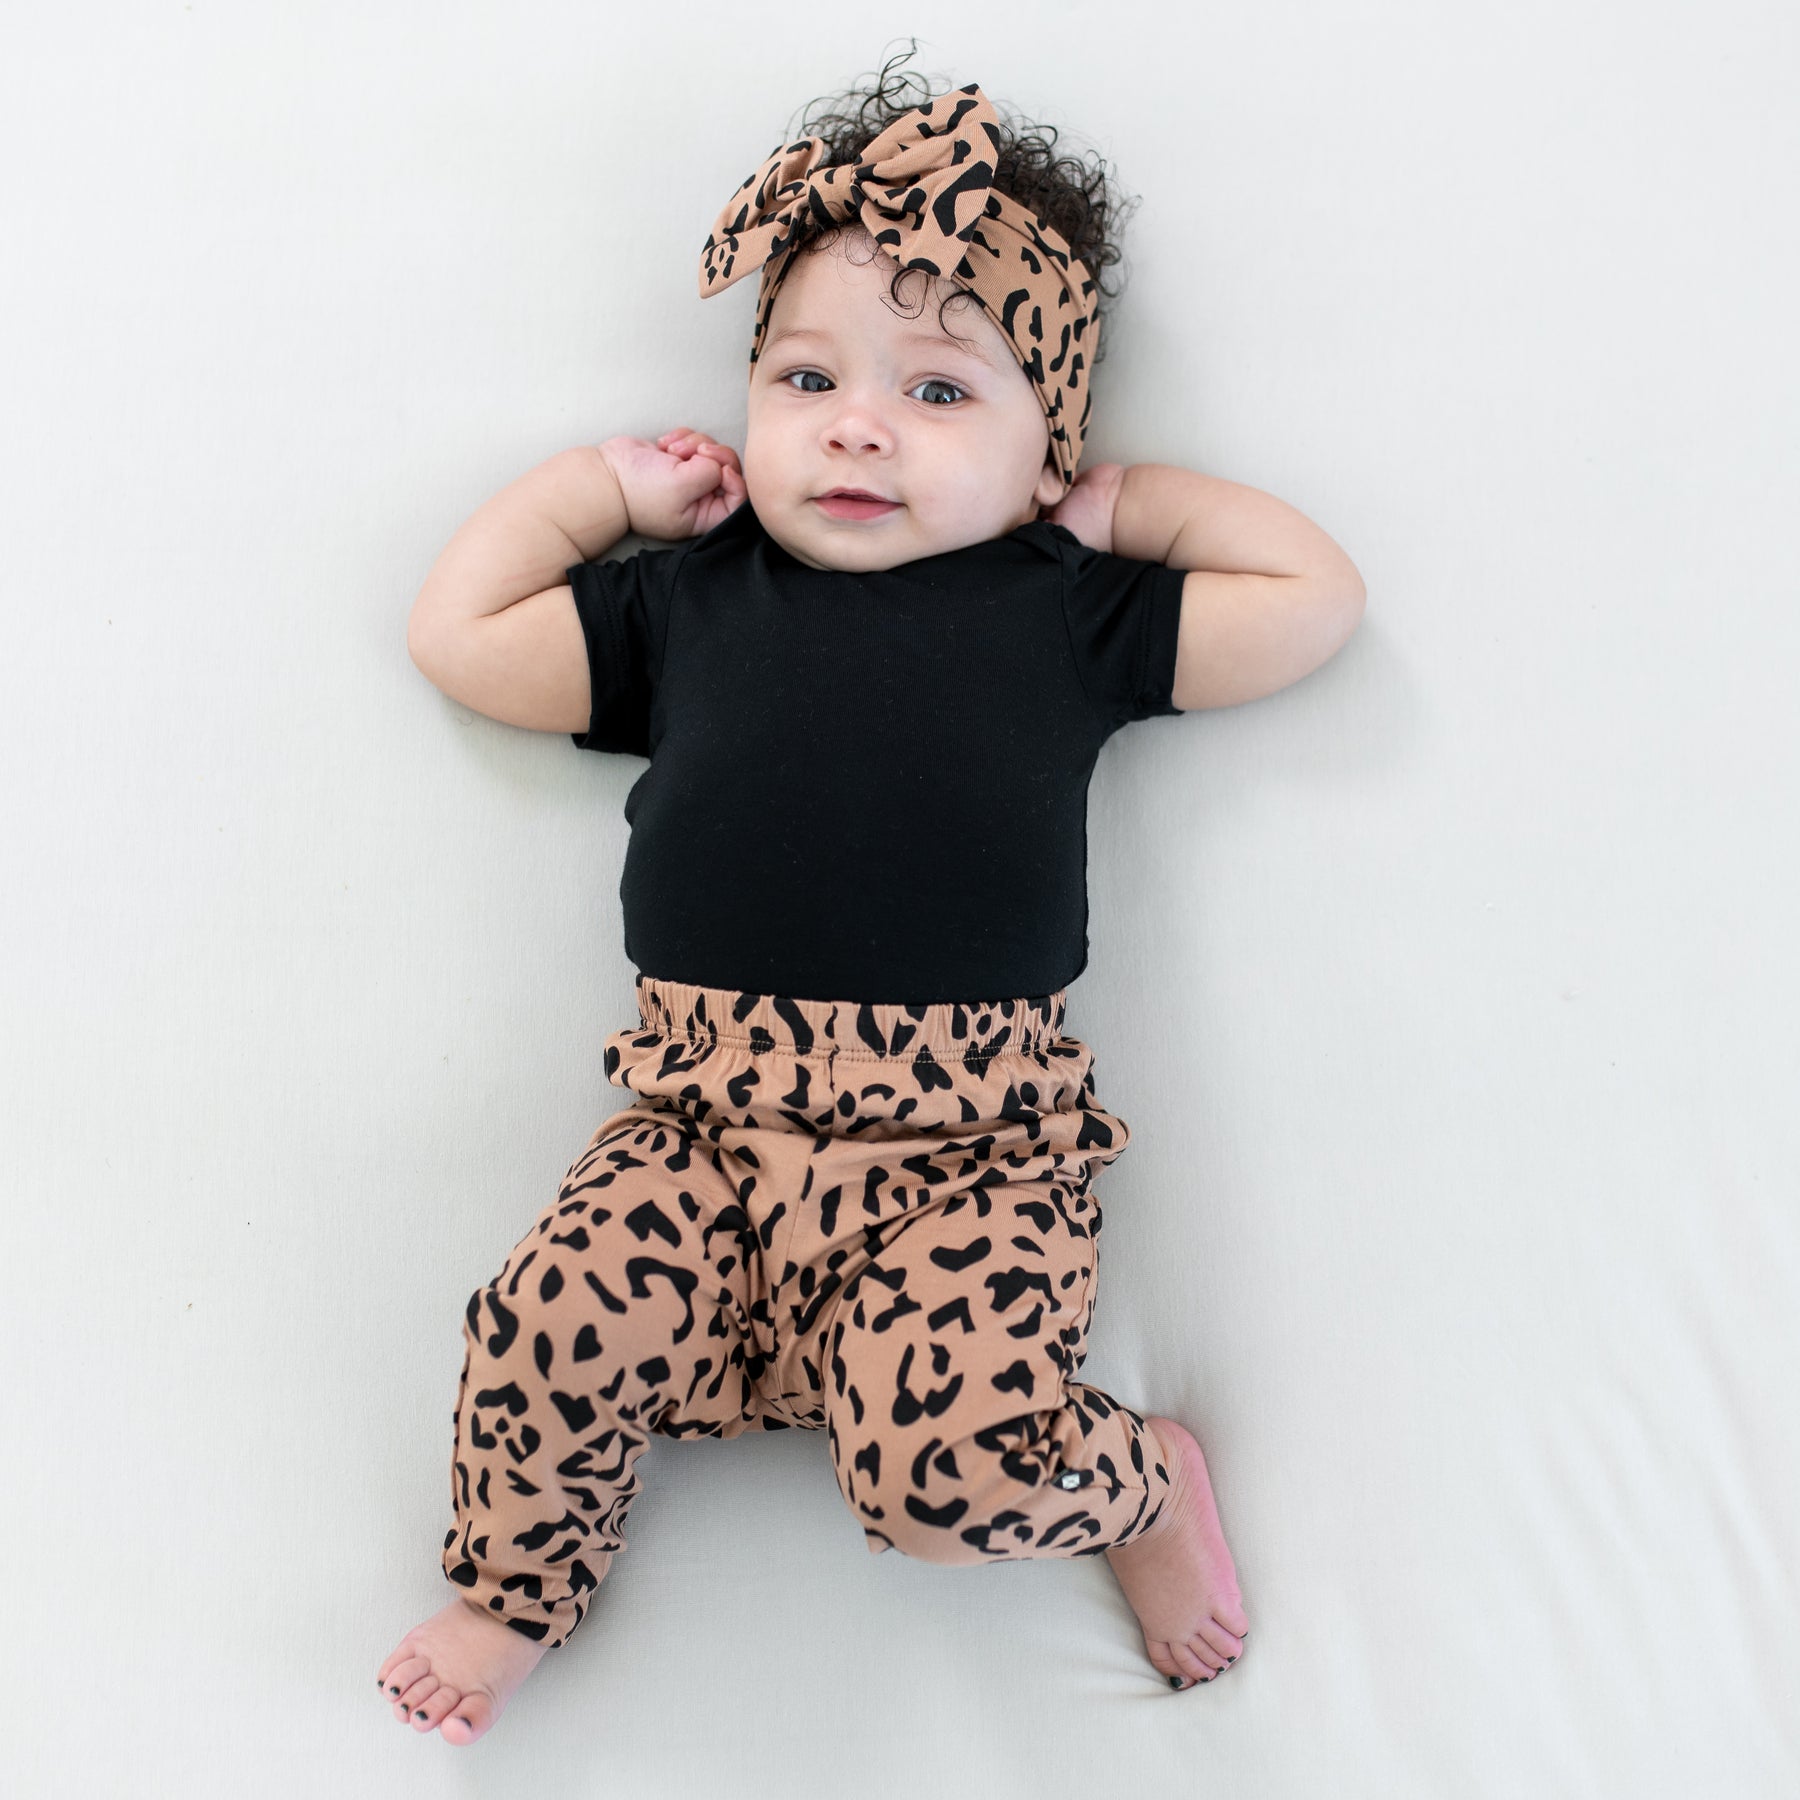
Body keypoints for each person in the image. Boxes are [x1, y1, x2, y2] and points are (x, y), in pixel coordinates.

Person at [377, 55, 1365, 1747]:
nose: (856, 423)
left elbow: (1311, 599)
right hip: (697, 1128)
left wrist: (1136, 507)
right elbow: (460, 640)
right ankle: (512, 1587)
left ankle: (1134, 1486)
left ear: (1046, 441)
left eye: (940, 393)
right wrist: (597, 497)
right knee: (549, 1327)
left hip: (964, 1159)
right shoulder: (689, 606)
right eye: (809, 374)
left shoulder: (1060, 613)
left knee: (954, 1484)